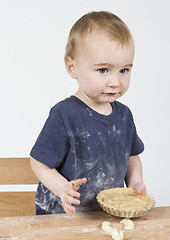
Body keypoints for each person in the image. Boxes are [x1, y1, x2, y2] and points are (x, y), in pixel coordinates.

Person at [30, 11, 146, 216]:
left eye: (124, 70)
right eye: (103, 70)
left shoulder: (125, 116)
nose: (115, 81)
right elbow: (39, 163)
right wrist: (62, 188)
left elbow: (132, 157)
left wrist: (136, 182)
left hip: (105, 215)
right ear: (73, 68)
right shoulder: (64, 114)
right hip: (63, 216)